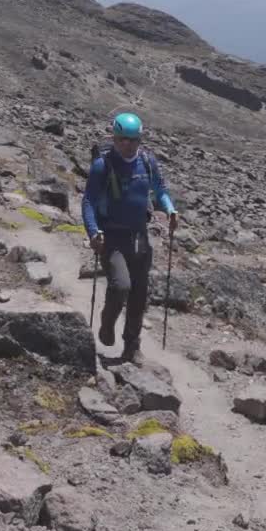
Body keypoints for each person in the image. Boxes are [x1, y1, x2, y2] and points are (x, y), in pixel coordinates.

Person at [82, 112, 178, 365]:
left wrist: (169, 209)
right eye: (123, 139)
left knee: (138, 294)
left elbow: (160, 189)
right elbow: (89, 201)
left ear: (140, 139)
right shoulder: (103, 166)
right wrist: (93, 231)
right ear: (114, 137)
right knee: (121, 285)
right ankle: (107, 321)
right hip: (111, 236)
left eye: (133, 140)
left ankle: (131, 347)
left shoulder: (147, 162)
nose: (128, 144)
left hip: (139, 235)